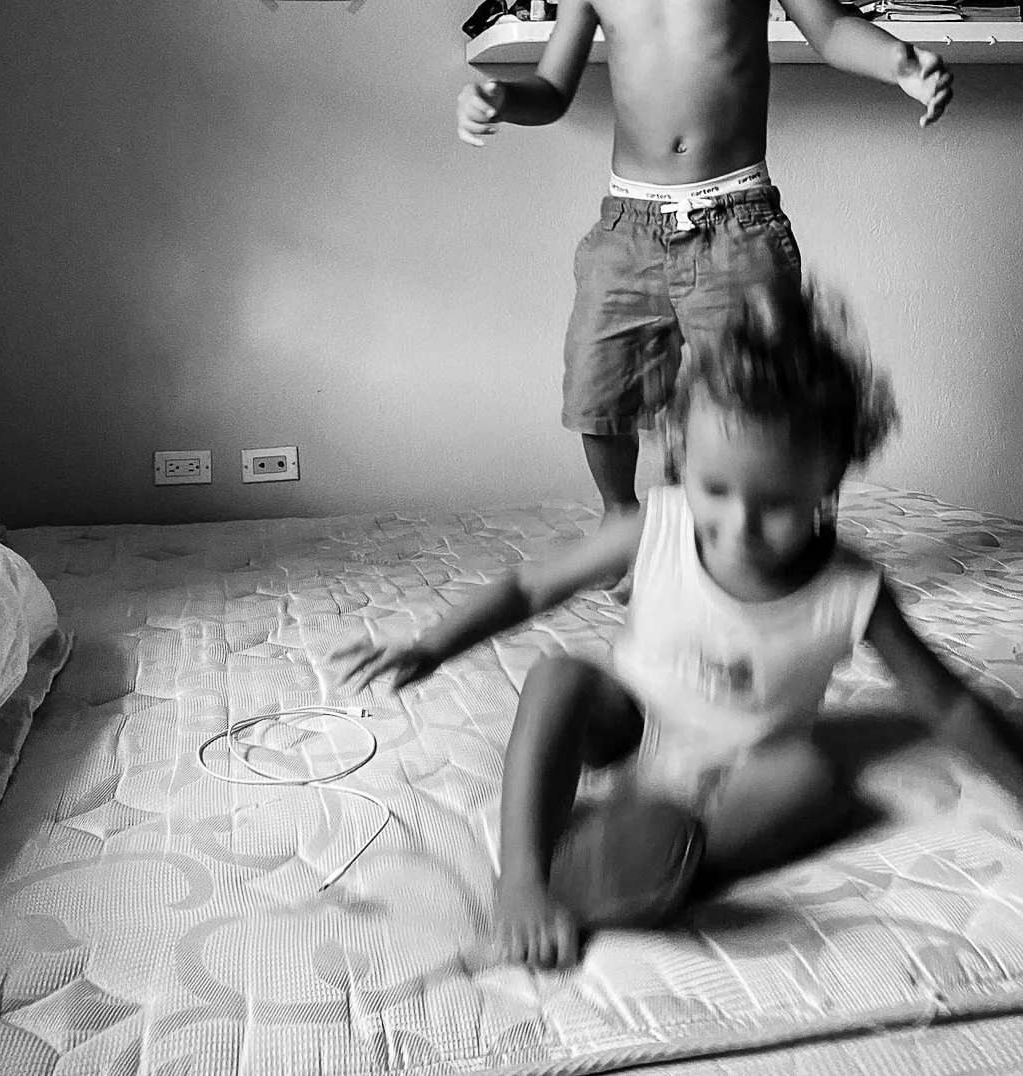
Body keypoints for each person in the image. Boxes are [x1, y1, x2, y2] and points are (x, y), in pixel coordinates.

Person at [331, 278, 1023, 970]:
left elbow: (948, 702)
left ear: (829, 483)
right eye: (715, 489)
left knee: (813, 779)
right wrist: (434, 645)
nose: (738, 525)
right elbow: (530, 583)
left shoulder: (852, 588)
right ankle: (526, 881)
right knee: (558, 677)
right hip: (632, 725)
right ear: (681, 452)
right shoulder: (656, 524)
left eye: (776, 503)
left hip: (744, 765)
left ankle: (656, 867)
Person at [456, 0, 953, 522]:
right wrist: (501, 99)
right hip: (627, 229)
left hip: (738, 226)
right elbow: (552, 87)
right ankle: (624, 517)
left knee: (754, 403)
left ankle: (733, 523)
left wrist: (900, 60)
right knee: (597, 390)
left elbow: (828, 29)